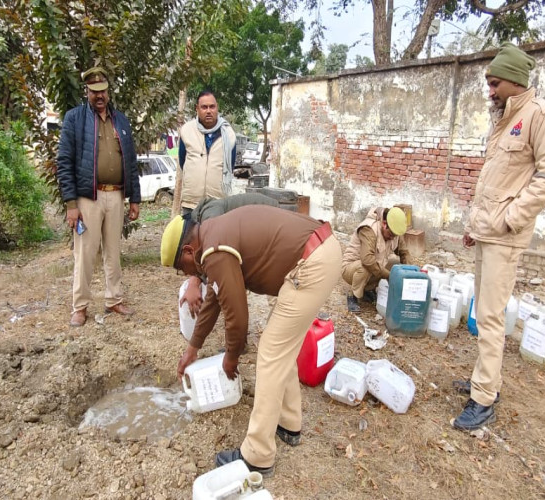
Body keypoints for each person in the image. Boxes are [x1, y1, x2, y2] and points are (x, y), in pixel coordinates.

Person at [160, 205, 341, 477]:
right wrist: (193, 347)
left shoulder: (214, 251)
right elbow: (215, 299)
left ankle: (257, 455)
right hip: (322, 251)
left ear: (188, 251)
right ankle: (289, 422)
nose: (186, 274)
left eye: (180, 268)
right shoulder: (213, 236)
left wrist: (231, 356)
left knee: (271, 351)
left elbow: (237, 315)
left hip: (312, 263)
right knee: (281, 347)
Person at [454, 43, 545, 431]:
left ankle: (483, 398)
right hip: (488, 234)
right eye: (488, 83)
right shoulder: (504, 119)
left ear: (516, 82)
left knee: (489, 317)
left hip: (505, 237)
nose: (490, 91)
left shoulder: (541, 116)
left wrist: (509, 219)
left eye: (495, 83)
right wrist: (476, 226)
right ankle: (484, 381)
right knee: (483, 312)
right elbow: (494, 181)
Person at [56, 66, 141, 327]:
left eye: (103, 90)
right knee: (85, 254)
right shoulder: (75, 119)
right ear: (87, 92)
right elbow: (64, 162)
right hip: (87, 198)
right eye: (94, 91)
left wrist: (135, 198)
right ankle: (80, 306)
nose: (99, 95)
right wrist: (71, 204)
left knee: (113, 252)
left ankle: (114, 299)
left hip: (115, 196)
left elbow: (131, 161)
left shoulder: (121, 121)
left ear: (108, 91)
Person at [176, 91, 238, 315]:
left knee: (213, 248)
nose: (209, 111)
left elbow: (231, 165)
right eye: (204, 107)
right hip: (192, 200)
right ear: (197, 109)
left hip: (217, 202)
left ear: (217, 108)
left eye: (212, 106)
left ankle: (212, 291)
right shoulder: (186, 131)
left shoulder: (229, 134)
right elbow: (183, 161)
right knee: (191, 248)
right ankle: (193, 289)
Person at [341, 207, 411, 312]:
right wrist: (389, 276)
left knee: (396, 265)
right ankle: (353, 296)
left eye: (395, 236)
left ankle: (368, 289)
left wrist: (410, 274)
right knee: (365, 267)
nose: (392, 238)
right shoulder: (369, 229)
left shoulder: (394, 231)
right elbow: (367, 260)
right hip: (350, 268)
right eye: (391, 235)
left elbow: (404, 252)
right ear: (384, 224)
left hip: (373, 264)